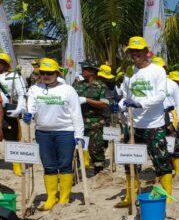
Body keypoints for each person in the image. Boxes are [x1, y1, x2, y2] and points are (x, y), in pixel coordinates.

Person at [115, 37, 173, 207]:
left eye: (139, 51)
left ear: (147, 52)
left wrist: (141, 103)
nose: (135, 54)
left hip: (153, 124)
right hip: (133, 126)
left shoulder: (157, 71)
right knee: (131, 162)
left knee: (161, 161)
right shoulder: (129, 73)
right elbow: (126, 97)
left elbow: (161, 95)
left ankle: (167, 195)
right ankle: (130, 196)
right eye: (132, 51)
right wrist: (120, 106)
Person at [23, 58, 84, 210]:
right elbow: (31, 107)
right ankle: (51, 197)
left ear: (57, 73)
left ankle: (64, 198)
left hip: (65, 132)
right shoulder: (34, 89)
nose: (46, 75)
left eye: (49, 73)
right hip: (43, 132)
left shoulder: (68, 90)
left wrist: (79, 134)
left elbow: (76, 114)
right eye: (43, 73)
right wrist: (28, 114)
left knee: (64, 165)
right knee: (49, 166)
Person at [73, 60, 109, 175]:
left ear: (93, 71)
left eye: (85, 69)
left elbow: (104, 104)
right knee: (76, 148)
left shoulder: (101, 86)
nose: (82, 71)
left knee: (96, 148)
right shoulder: (77, 85)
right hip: (79, 121)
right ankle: (75, 174)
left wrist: (86, 100)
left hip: (96, 122)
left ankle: (98, 173)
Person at [0, 52, 28, 176]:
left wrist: (20, 109)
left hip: (8, 111)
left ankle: (16, 165)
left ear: (5, 64)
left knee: (11, 138)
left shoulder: (14, 75)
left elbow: (22, 94)